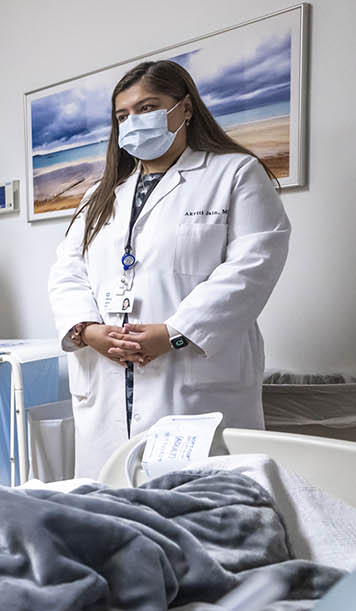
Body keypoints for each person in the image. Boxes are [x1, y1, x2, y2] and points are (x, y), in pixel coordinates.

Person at [47, 60, 290, 478]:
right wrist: (88, 330)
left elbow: (254, 264)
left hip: (191, 375)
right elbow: (67, 270)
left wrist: (173, 334)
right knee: (113, 508)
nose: (133, 122)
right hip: (108, 373)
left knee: (198, 510)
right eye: (122, 115)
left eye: (147, 108)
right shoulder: (100, 195)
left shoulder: (235, 173)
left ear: (185, 109)